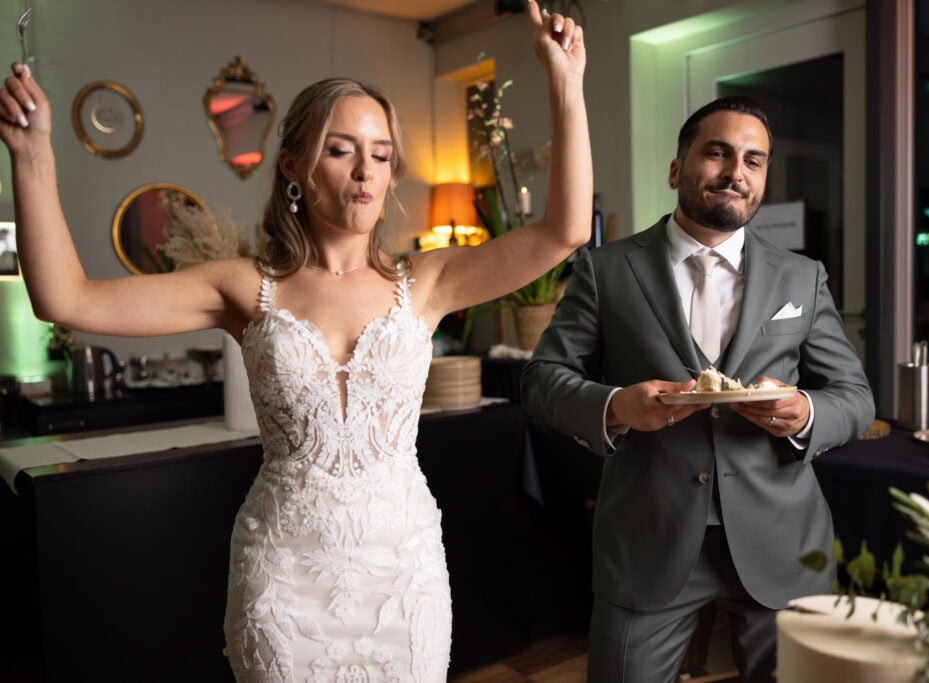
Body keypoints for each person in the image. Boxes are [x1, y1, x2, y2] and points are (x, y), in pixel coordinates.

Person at [0, 2, 590, 680]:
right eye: (341, 150)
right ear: (293, 166)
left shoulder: (426, 282)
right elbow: (66, 297)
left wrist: (566, 83)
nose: (365, 171)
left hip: (403, 572)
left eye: (380, 154)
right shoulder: (244, 287)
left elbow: (564, 230)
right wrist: (32, 152)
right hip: (284, 577)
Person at [521, 96, 874, 683]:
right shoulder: (605, 270)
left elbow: (854, 396)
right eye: (718, 153)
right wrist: (615, 406)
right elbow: (541, 379)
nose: (737, 172)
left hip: (784, 541)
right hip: (647, 540)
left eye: (754, 161)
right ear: (676, 169)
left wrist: (804, 412)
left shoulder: (801, 276)